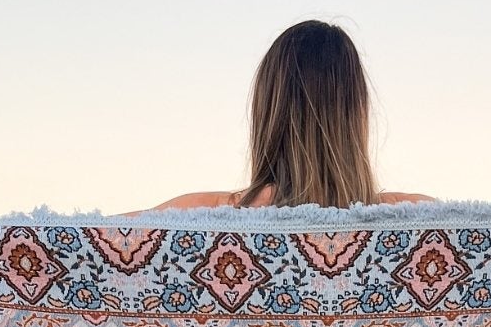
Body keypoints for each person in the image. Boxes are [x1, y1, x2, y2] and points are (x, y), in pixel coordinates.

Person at [137, 20, 432, 212]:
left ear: (267, 113)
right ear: (357, 113)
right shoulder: (425, 223)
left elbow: (106, 247)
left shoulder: (190, 219)